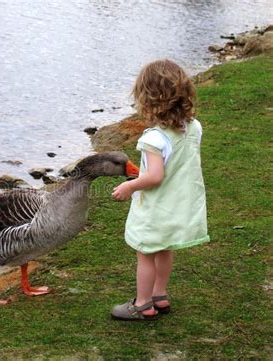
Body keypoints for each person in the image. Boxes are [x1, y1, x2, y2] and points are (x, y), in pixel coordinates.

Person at [111, 59, 210, 320]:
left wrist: (130, 185)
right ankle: (160, 295)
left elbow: (154, 176)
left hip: (157, 206)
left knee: (145, 253)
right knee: (164, 248)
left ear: (148, 101)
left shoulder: (154, 138)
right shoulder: (193, 128)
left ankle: (142, 304)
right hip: (178, 203)